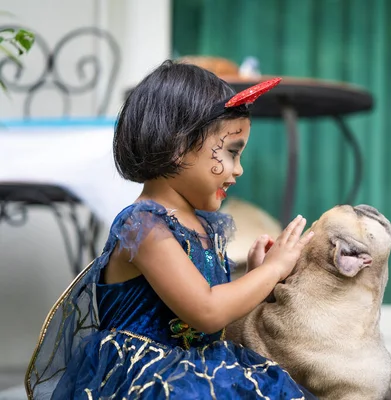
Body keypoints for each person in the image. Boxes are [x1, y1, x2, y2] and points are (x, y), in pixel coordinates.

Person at [25, 60, 316, 399]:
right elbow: (207, 312)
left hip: (201, 371)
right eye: (231, 153)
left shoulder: (204, 225)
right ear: (179, 146)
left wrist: (256, 274)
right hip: (147, 383)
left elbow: (212, 322)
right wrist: (275, 269)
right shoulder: (145, 226)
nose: (238, 170)